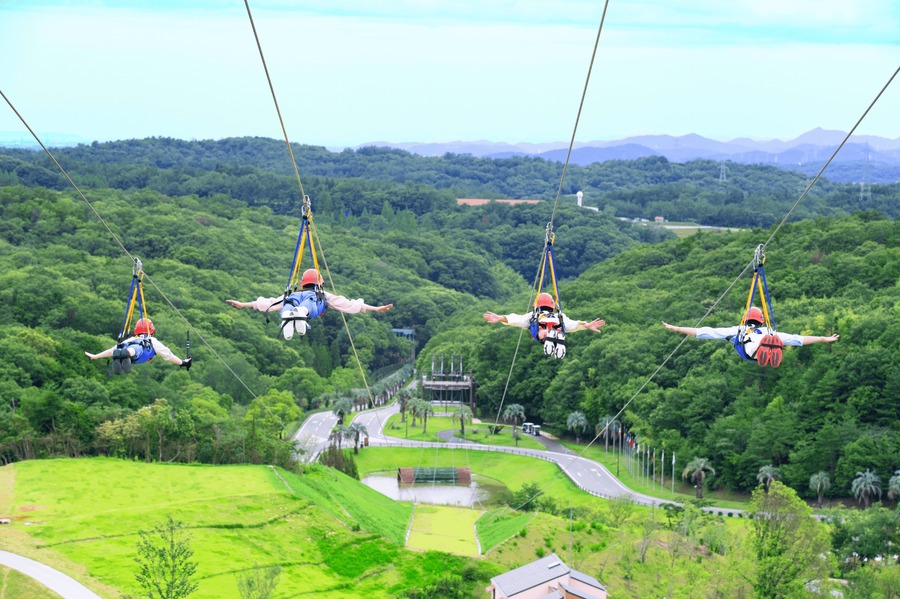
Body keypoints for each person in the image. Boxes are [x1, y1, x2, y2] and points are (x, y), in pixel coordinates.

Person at [226, 268, 393, 339]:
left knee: (288, 303)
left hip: (293, 300)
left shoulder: (294, 292)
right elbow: (350, 305)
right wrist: (376, 309)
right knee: (311, 303)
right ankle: (300, 313)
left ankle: (288, 315)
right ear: (319, 283)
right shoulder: (321, 294)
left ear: (303, 282)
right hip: (309, 305)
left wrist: (244, 304)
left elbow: (268, 303)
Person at [662, 306, 839, 365]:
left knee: (773, 339)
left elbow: (705, 332)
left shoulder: (738, 330)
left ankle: (768, 352)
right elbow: (799, 340)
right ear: (761, 320)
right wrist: (824, 339)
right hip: (755, 348)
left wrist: (676, 328)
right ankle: (769, 352)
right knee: (776, 339)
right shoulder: (765, 331)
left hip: (755, 349)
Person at [483, 292, 605, 359]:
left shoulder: (535, 315)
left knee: (544, 331)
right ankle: (556, 338)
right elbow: (573, 325)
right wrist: (586, 325)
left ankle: (552, 338)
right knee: (553, 330)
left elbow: (515, 319)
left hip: (545, 331)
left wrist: (500, 318)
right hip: (551, 329)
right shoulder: (556, 316)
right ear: (552, 306)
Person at [85, 318, 192, 375]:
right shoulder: (152, 341)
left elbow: (111, 350)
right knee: (138, 349)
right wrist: (183, 362)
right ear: (151, 330)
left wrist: (95, 356)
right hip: (140, 354)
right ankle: (126, 354)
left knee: (121, 348)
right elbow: (169, 355)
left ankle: (121, 356)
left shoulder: (131, 339)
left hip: (128, 349)